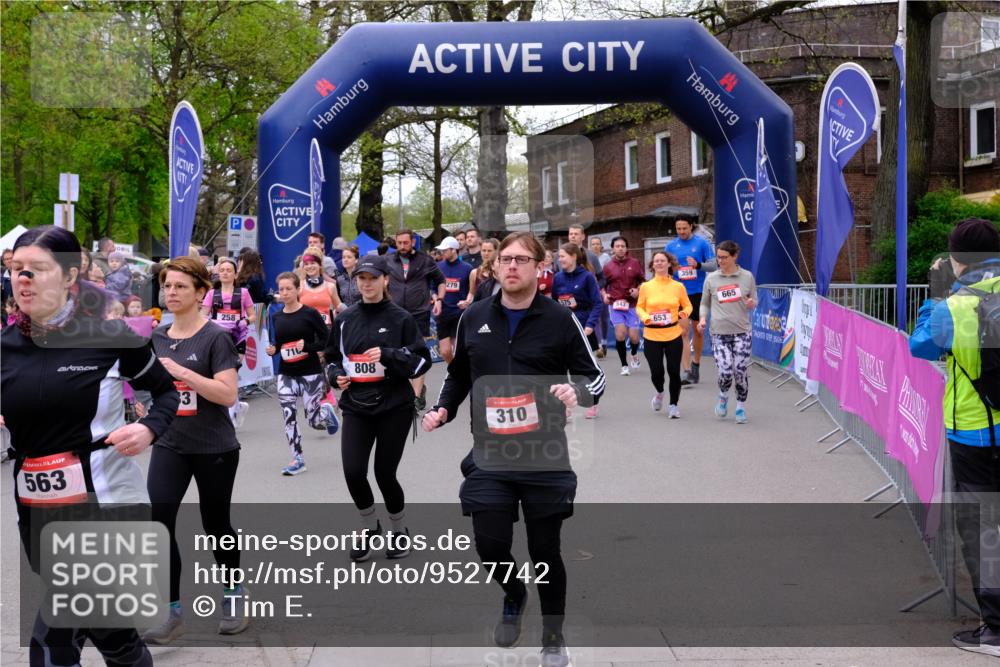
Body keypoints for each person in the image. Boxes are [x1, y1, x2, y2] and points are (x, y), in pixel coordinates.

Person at [422, 232, 605, 667]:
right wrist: (443, 408)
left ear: (539, 268)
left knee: (545, 553)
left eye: (522, 259)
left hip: (545, 455)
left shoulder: (560, 319)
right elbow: (459, 374)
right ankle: (513, 593)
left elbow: (594, 380)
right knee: (489, 546)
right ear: (495, 266)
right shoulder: (475, 317)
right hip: (489, 454)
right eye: (505, 259)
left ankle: (553, 638)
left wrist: (575, 391)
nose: (511, 266)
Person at [1, 225, 178, 666]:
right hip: (38, 501)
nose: (23, 279)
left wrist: (149, 429)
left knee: (55, 635)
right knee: (111, 632)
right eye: (16, 269)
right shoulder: (4, 348)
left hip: (108, 497)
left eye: (37, 269)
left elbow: (166, 393)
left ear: (69, 275)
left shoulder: (112, 337)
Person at [143, 256, 249, 645]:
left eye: (180, 287)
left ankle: (234, 595)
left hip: (213, 446)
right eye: (167, 286)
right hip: (170, 442)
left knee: (215, 525)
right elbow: (153, 388)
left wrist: (184, 373)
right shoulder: (157, 335)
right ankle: (171, 611)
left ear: (201, 292)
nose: (171, 293)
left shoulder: (215, 337)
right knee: (158, 520)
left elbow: (228, 393)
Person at [910, 218, 1000, 657]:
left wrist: (937, 295)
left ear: (956, 258)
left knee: (983, 527)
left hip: (975, 432)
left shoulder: (955, 305)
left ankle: (996, 630)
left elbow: (921, 346)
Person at [324, 256, 432, 561]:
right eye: (361, 279)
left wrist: (388, 355)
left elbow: (421, 361)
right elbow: (332, 357)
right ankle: (369, 526)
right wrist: (335, 375)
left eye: (372, 278)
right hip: (356, 405)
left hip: (394, 405)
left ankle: (399, 531)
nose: (366, 284)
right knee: (354, 471)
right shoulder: (345, 319)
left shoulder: (400, 319)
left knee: (385, 473)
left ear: (386, 280)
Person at [266, 271, 337, 476]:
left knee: (313, 420)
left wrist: (307, 346)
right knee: (289, 415)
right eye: (281, 289)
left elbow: (326, 340)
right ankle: (297, 458)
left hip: (310, 373)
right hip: (286, 373)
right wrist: (274, 349)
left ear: (298, 290)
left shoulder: (309, 314)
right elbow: (280, 342)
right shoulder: (277, 316)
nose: (285, 293)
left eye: (289, 288)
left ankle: (325, 413)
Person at [384, 228, 445, 410]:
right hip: (394, 313)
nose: (402, 246)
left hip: (419, 313)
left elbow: (440, 281)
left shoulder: (425, 260)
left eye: (405, 242)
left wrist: (439, 300)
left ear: (412, 242)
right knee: (396, 352)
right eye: (399, 243)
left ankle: (416, 397)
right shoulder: (388, 260)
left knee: (417, 353)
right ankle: (403, 390)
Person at [698, 241, 757, 424]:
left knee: (740, 370)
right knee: (725, 370)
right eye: (718, 257)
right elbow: (704, 303)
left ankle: (740, 407)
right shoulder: (711, 279)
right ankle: (723, 396)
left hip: (742, 332)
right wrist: (702, 319)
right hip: (719, 333)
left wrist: (751, 304)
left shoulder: (747, 277)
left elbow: (754, 299)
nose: (720, 260)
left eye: (724, 257)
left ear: (734, 257)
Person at [636, 251, 692, 418]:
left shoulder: (678, 286)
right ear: (652, 265)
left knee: (674, 371)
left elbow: (688, 306)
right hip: (652, 335)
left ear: (669, 264)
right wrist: (645, 317)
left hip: (673, 334)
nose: (659, 263)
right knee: (657, 372)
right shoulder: (646, 286)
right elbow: (639, 307)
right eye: (656, 261)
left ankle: (674, 405)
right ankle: (660, 392)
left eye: (662, 261)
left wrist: (683, 314)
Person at [552, 242, 604, 418]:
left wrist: (590, 325)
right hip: (562, 329)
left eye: (562, 256)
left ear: (573, 257)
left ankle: (593, 401)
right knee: (560, 367)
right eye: (559, 257)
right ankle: (565, 405)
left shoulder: (587, 277)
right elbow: (553, 303)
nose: (560, 260)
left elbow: (597, 303)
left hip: (583, 328)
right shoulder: (557, 278)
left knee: (582, 369)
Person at [666, 218, 716, 385]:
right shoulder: (671, 246)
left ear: (691, 227)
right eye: (678, 228)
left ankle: (696, 364)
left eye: (684, 228)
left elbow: (714, 265)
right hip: (679, 294)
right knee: (683, 332)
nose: (681, 231)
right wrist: (673, 270)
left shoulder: (701, 244)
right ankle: (686, 371)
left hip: (698, 293)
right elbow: (665, 267)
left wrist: (698, 265)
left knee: (698, 331)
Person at [603, 236, 645, 376]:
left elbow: (642, 281)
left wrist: (638, 290)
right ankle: (624, 365)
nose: (620, 248)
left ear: (626, 248)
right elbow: (602, 285)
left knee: (634, 337)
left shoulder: (635, 263)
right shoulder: (608, 266)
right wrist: (605, 295)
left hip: (632, 305)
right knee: (620, 334)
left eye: (622, 246)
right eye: (617, 246)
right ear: (613, 248)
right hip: (616, 305)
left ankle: (633, 353)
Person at [569, 224, 608, 358]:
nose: (573, 236)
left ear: (583, 236)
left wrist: (595, 287)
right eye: (571, 234)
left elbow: (602, 278)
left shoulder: (591, 256)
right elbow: (557, 278)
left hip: (587, 300)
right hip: (569, 300)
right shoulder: (559, 256)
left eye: (576, 234)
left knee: (590, 323)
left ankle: (596, 346)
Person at [435, 236, 474, 363]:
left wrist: (467, 302)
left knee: (458, 349)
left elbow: (472, 291)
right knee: (445, 351)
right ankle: (454, 370)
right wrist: (436, 300)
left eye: (445, 250)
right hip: (443, 313)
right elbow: (432, 288)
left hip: (459, 314)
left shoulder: (467, 268)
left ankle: (458, 374)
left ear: (453, 250)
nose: (442, 253)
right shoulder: (438, 267)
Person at [298, 247, 345, 325]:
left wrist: (354, 314)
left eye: (313, 263)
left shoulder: (330, 286)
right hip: (305, 330)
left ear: (319, 265)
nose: (309, 266)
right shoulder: (299, 286)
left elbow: (339, 306)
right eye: (306, 264)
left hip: (325, 330)